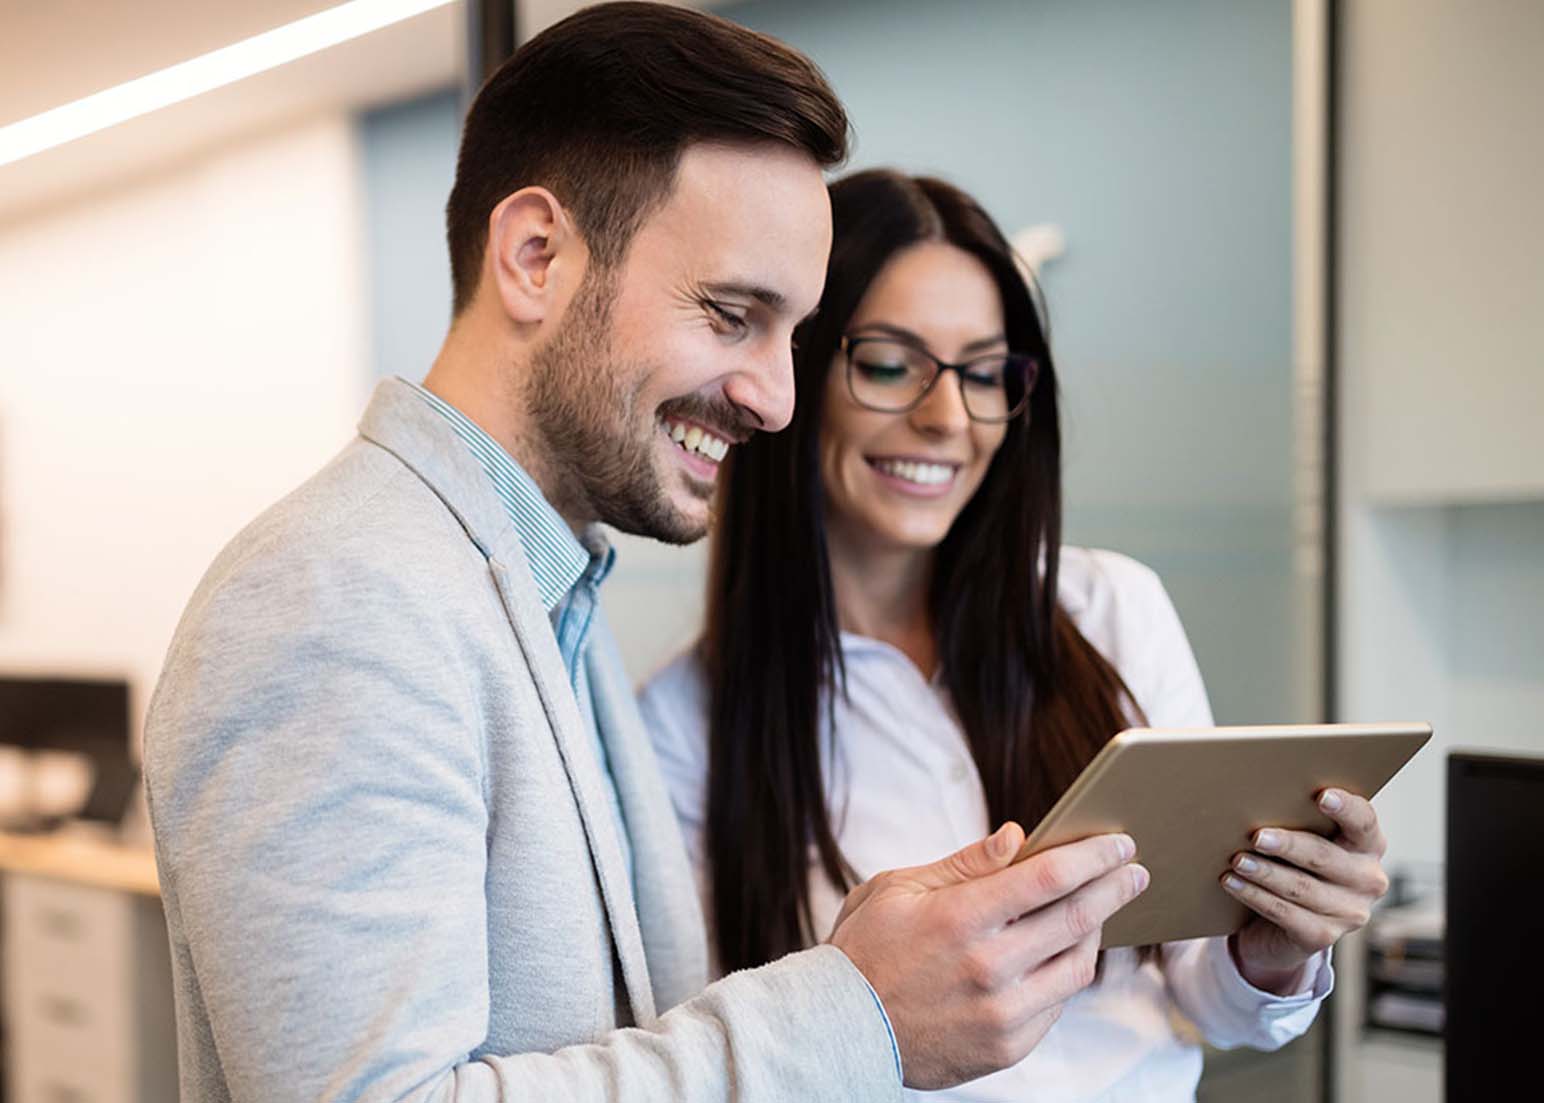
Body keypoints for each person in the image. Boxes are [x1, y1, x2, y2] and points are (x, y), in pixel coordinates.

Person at [143, 8, 1152, 1102]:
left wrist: (856, 964)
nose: (775, 398)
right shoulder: (335, 600)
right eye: (731, 315)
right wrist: (854, 1011)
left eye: (793, 337)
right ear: (536, 257)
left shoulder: (541, 595)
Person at [639, 170, 1393, 1101]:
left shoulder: (1112, 610)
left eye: (986, 373)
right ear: (797, 372)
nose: (948, 418)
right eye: (890, 363)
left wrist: (1272, 949)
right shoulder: (683, 724)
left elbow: (1210, 998)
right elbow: (724, 1064)